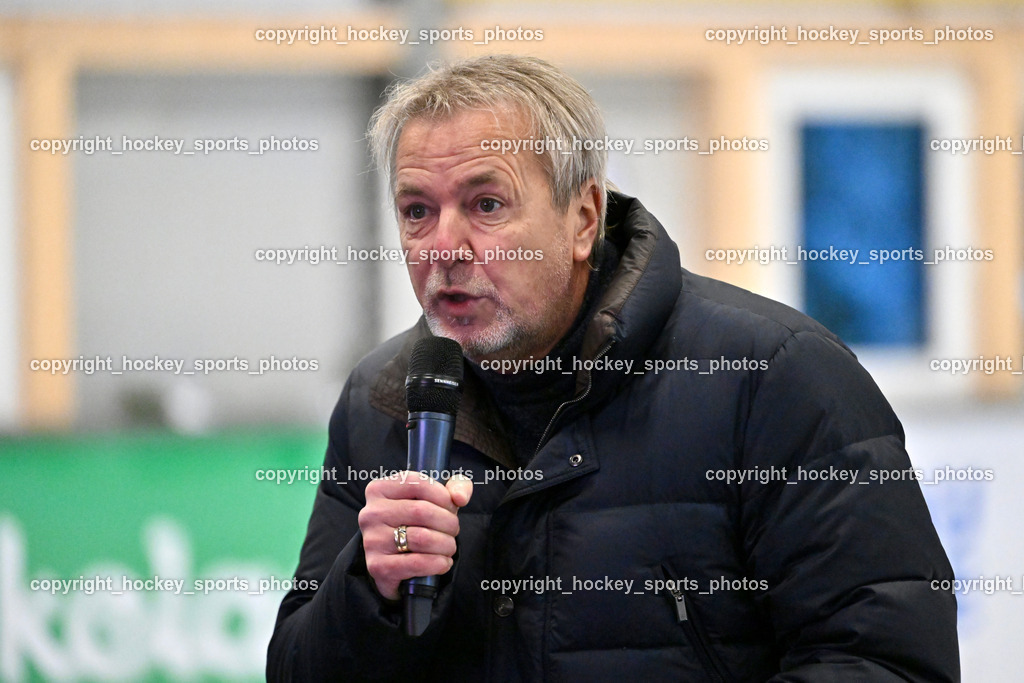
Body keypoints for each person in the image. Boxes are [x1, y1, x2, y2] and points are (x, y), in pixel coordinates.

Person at [267, 54, 959, 681]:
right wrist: (368, 589)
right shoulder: (381, 402)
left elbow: (887, 663)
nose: (444, 245)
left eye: (486, 204)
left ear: (583, 217)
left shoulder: (775, 377)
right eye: (417, 211)